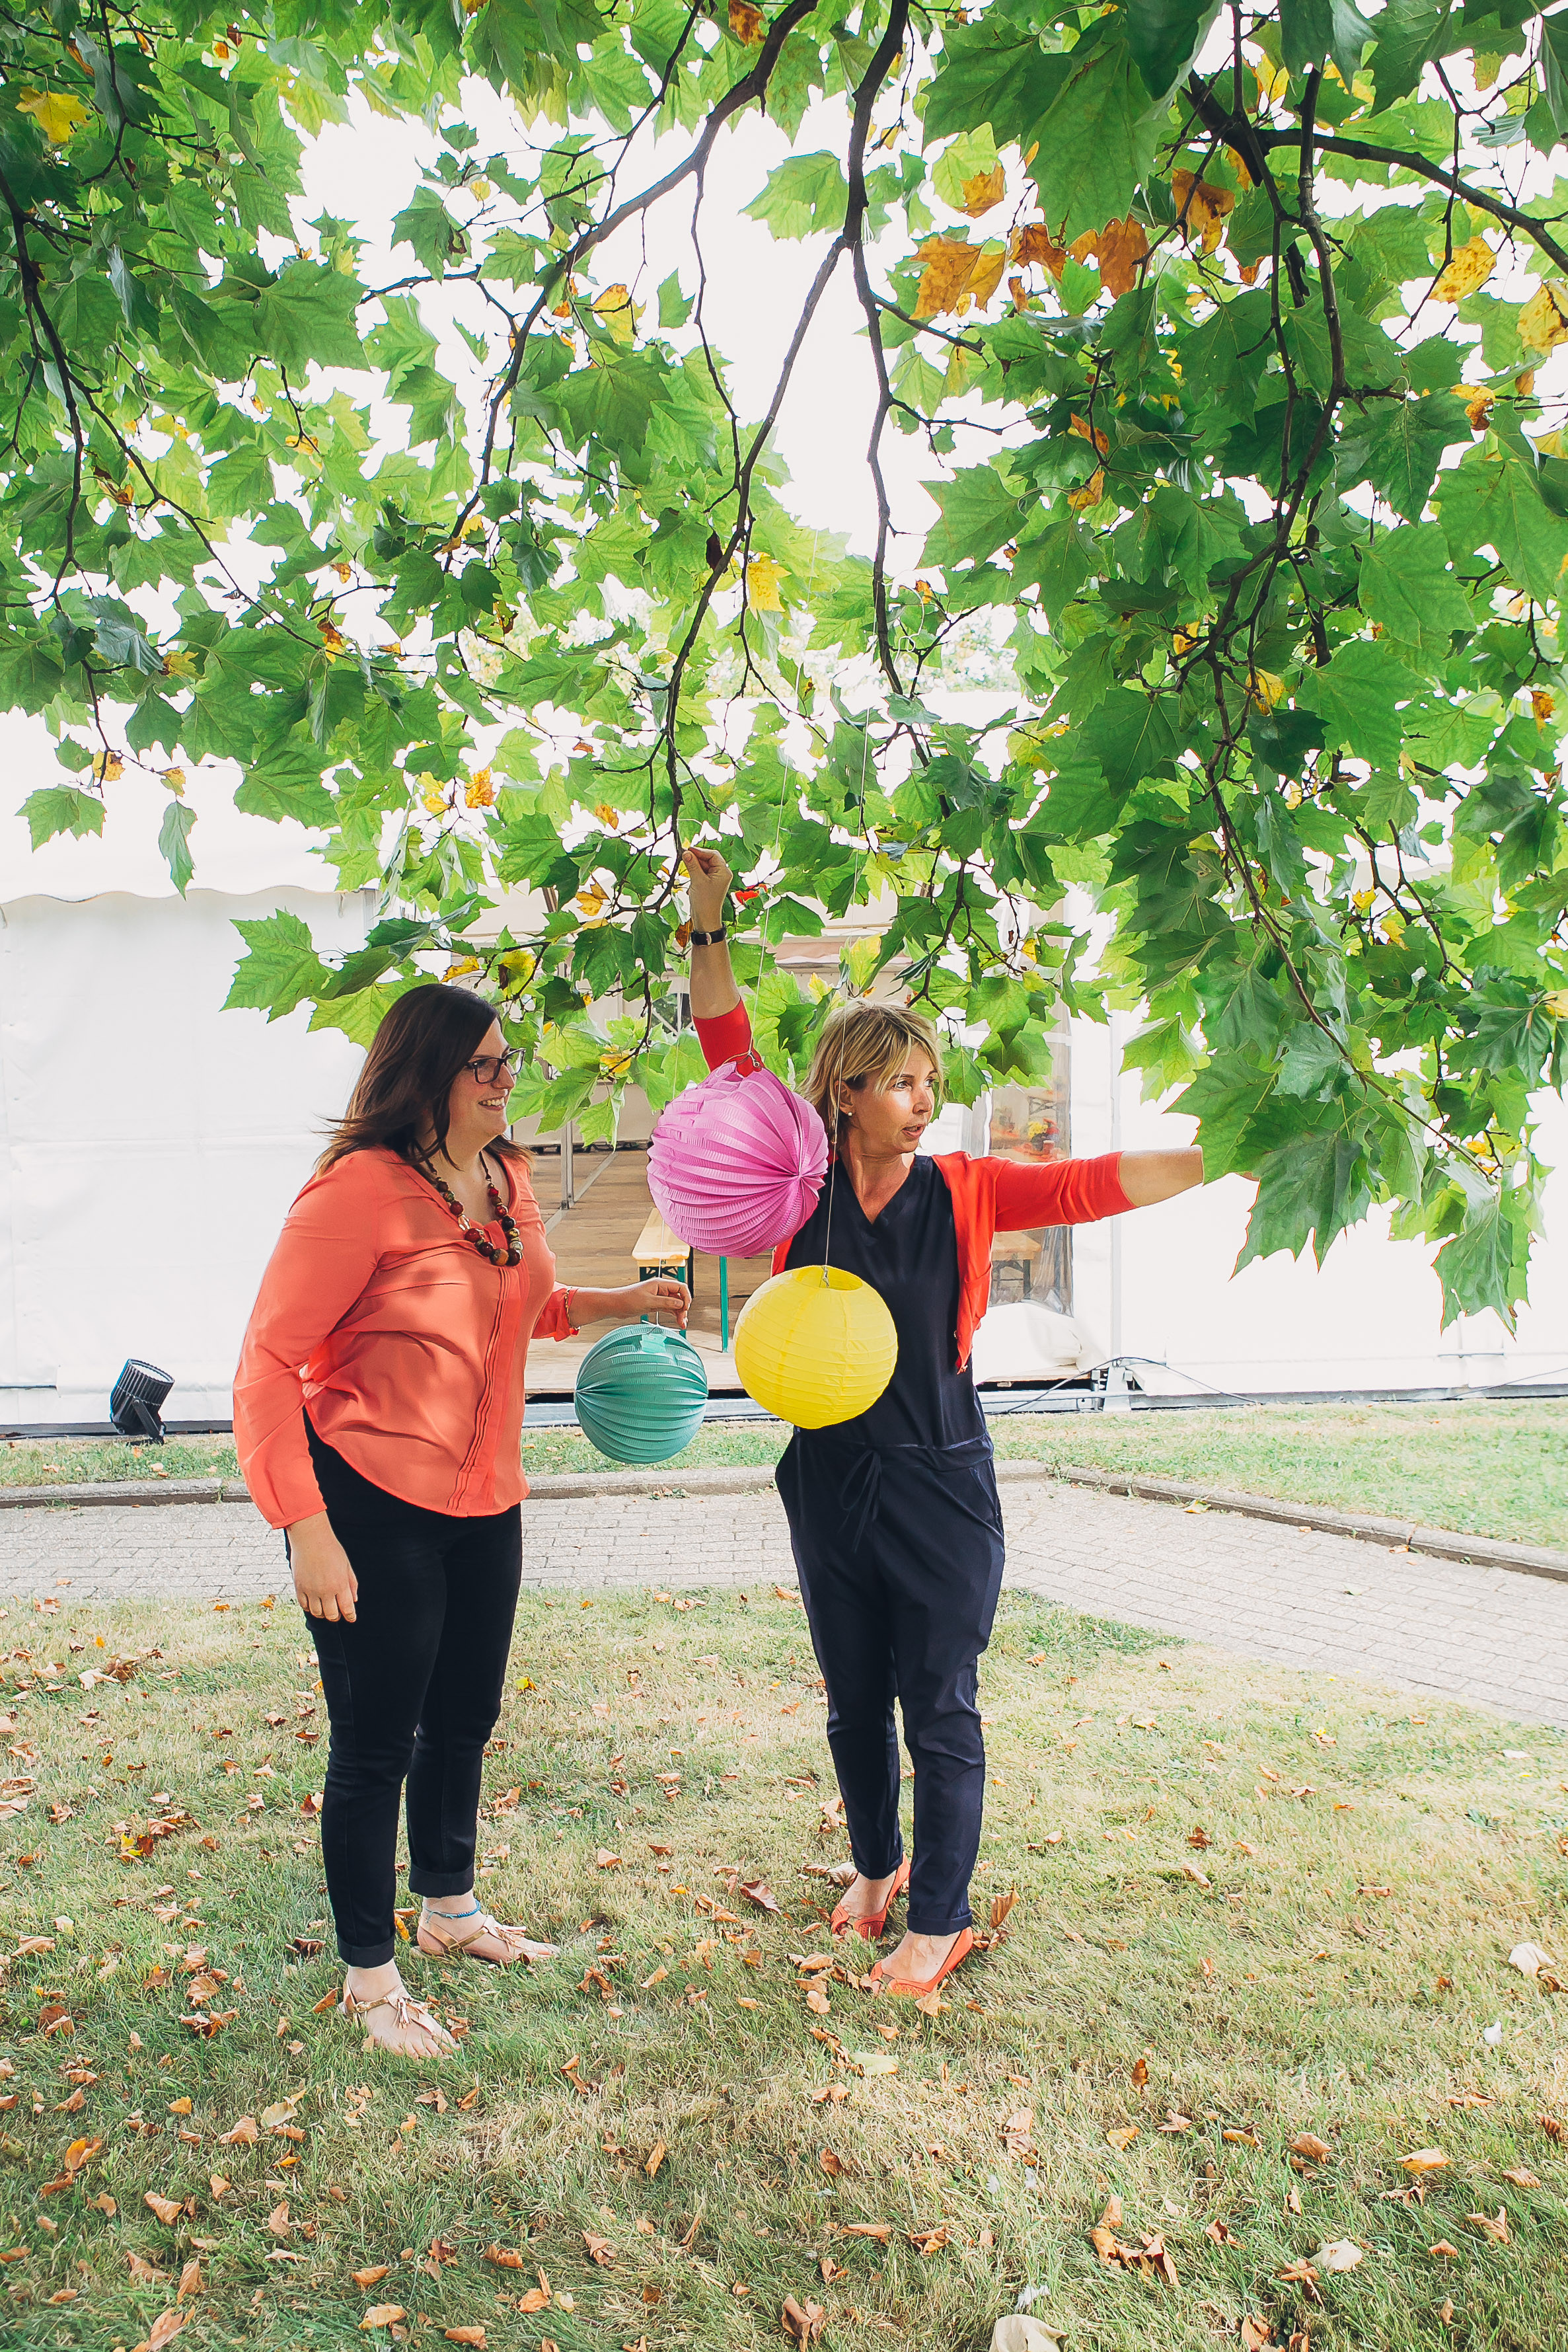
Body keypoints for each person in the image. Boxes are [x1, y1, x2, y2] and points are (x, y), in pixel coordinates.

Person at [681, 845, 1202, 1998]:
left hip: (938, 1478)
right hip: (825, 1476)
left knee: (938, 1699)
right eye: (903, 1081)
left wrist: (1221, 1157)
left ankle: (940, 1917)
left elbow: (1090, 1181)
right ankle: (876, 1869)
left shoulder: (963, 1187)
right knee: (851, 1693)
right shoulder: (796, 1181)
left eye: (931, 1081)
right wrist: (704, 918)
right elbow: (728, 1051)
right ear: (847, 1092)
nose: (925, 1099)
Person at [234, 984, 690, 2059]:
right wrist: (304, 1526)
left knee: (464, 1723)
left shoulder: (505, 1177)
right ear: (426, 1073)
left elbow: (514, 1299)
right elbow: (264, 1363)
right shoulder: (356, 1194)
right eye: (484, 1064)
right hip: (370, 1503)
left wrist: (611, 1307)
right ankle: (368, 1981)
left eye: (505, 1059)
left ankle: (448, 1911)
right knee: (374, 1745)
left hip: (486, 1501)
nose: (505, 1077)